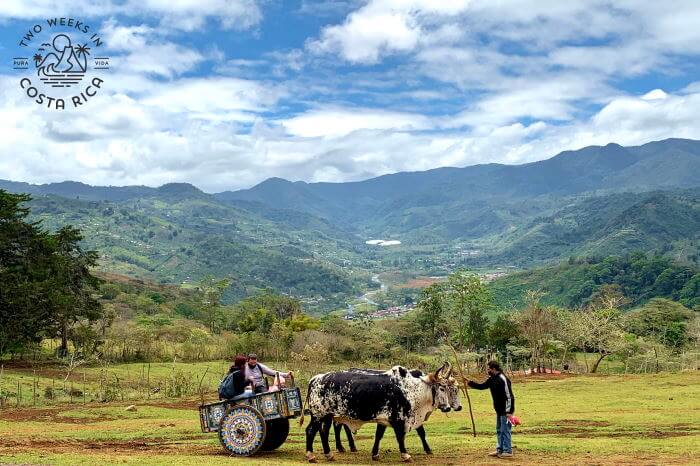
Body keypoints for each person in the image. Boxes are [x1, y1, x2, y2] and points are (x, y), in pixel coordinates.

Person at [465, 361, 515, 459]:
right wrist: (469, 382)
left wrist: (509, 412)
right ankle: (500, 449)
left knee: (505, 430)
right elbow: (482, 386)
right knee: (499, 430)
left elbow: (510, 396)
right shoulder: (492, 379)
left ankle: (507, 450)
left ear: (494, 369)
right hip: (498, 410)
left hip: (505, 410)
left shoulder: (503, 379)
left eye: (488, 369)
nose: (487, 371)